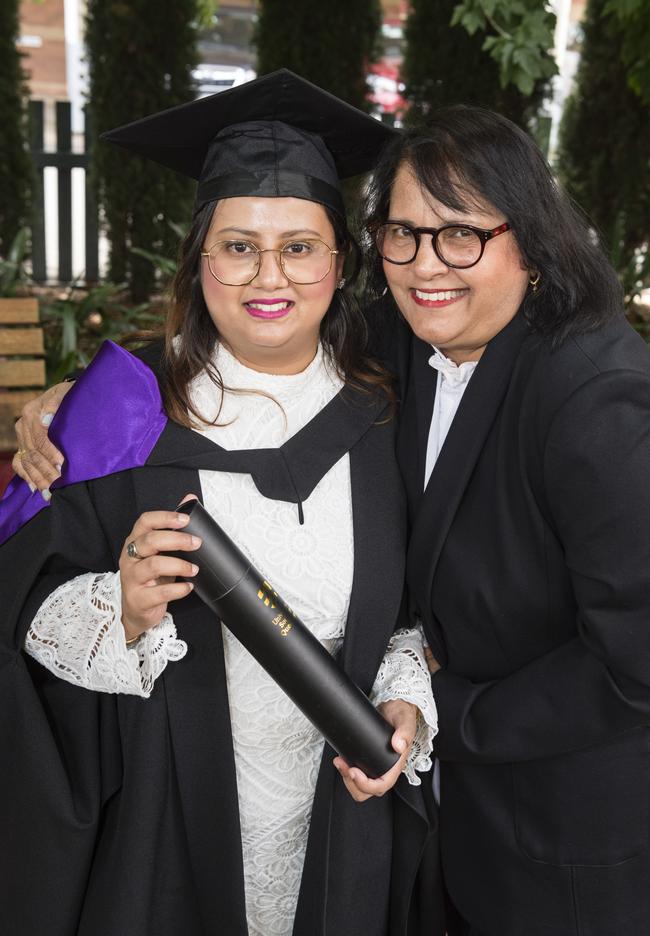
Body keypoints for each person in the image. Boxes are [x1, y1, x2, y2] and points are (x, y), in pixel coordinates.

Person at [0, 70, 442, 936]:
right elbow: (19, 604)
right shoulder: (119, 416)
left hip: (339, 816)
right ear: (200, 259)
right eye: (238, 245)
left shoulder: (390, 419)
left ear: (340, 261)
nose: (267, 274)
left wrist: (404, 704)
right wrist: (117, 609)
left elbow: (417, 615)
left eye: (299, 246)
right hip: (167, 823)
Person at [361, 107, 650, 936]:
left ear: (529, 241)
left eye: (461, 236)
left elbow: (636, 664)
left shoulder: (600, 402)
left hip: (571, 851)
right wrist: (84, 405)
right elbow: (265, 346)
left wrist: (445, 708)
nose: (425, 265)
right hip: (458, 837)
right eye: (403, 234)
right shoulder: (408, 336)